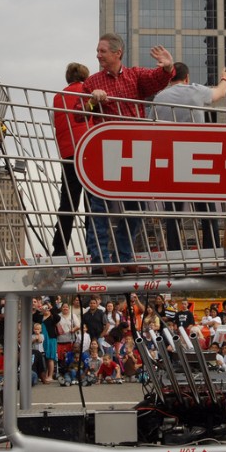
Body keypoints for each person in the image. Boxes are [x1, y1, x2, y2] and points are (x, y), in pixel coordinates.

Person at [82, 33, 175, 274]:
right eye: (98, 51)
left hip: (135, 152)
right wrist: (93, 101)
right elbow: (79, 113)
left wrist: (168, 68)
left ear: (117, 53)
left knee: (135, 208)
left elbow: (156, 80)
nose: (98, 55)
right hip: (107, 152)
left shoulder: (134, 76)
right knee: (100, 208)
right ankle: (100, 260)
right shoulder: (92, 82)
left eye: (102, 51)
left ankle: (124, 256)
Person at [148, 62, 226, 250]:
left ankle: (173, 251)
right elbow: (219, 94)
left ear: (170, 77)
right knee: (206, 209)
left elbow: (150, 127)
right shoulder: (195, 90)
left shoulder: (159, 97)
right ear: (187, 78)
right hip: (198, 158)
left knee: (173, 210)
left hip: (171, 158)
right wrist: (225, 79)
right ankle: (210, 249)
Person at [51, 62, 92, 256]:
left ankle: (59, 249)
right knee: (92, 203)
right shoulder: (89, 91)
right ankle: (94, 248)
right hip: (89, 150)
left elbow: (55, 122)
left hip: (68, 154)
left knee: (68, 203)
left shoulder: (57, 97)